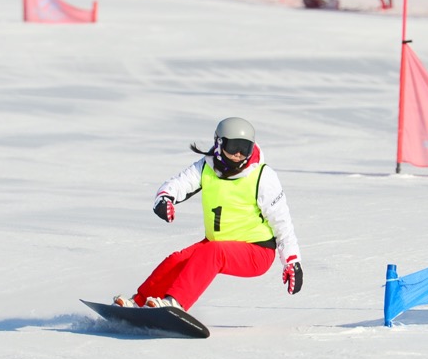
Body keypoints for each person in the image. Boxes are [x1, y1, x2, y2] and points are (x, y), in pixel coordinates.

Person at [113, 117, 303, 311]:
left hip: (257, 251)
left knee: (212, 253)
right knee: (177, 260)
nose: (239, 153)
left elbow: (282, 222)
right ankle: (139, 302)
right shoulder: (207, 166)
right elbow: (180, 183)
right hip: (215, 245)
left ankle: (175, 303)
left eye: (245, 148)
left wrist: (291, 260)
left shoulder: (262, 176)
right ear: (219, 143)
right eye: (234, 146)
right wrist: (165, 198)